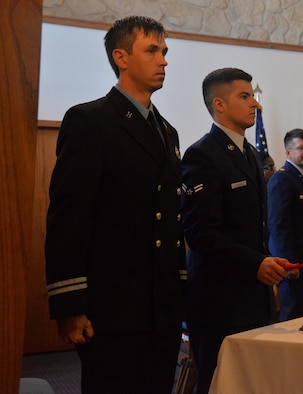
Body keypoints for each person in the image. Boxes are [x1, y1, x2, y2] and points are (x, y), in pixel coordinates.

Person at [44, 16, 186, 393]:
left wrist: (178, 291)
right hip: (113, 306)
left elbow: (171, 219)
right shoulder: (90, 120)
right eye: (152, 50)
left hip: (161, 306)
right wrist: (70, 303)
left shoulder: (167, 130)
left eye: (165, 51)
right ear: (121, 58)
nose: (164, 60)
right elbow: (68, 218)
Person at [181, 67, 289, 394]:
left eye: (253, 96)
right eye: (244, 96)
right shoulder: (203, 154)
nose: (255, 103)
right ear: (220, 104)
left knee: (252, 382)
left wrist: (269, 260)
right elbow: (200, 233)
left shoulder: (252, 155)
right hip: (219, 298)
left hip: (253, 294)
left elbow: (253, 226)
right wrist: (254, 263)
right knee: (219, 382)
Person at [267, 129, 303, 321]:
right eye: (301, 148)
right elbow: (279, 226)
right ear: (288, 153)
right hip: (294, 264)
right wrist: (289, 263)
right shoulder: (282, 180)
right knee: (293, 317)